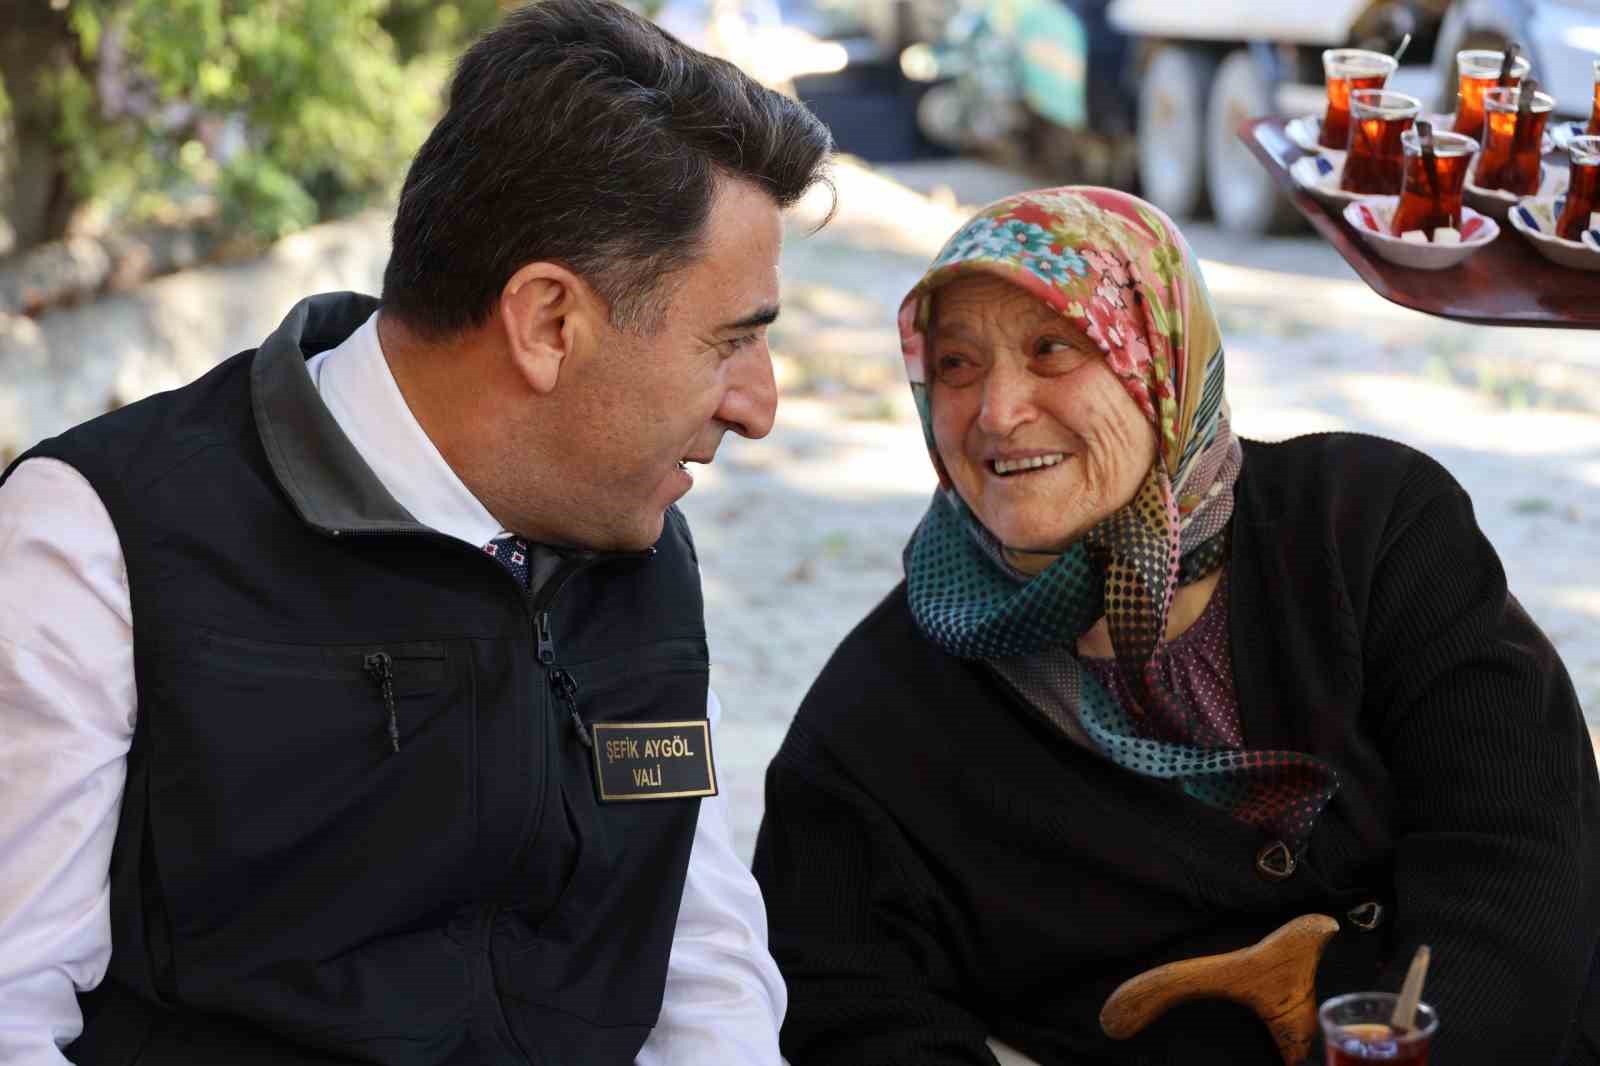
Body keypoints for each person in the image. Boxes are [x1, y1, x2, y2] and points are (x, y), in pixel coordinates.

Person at [0, 2, 832, 1063]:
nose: (758, 406)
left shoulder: (641, 540)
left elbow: (701, 963)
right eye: (729, 343)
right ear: (547, 321)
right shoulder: (100, 537)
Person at [751, 186, 1600, 1065]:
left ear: (1162, 356)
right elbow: (846, 1006)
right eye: (958, 366)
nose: (997, 411)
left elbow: (1519, 857)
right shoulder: (879, 716)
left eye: (1053, 349)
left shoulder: (1371, 527)